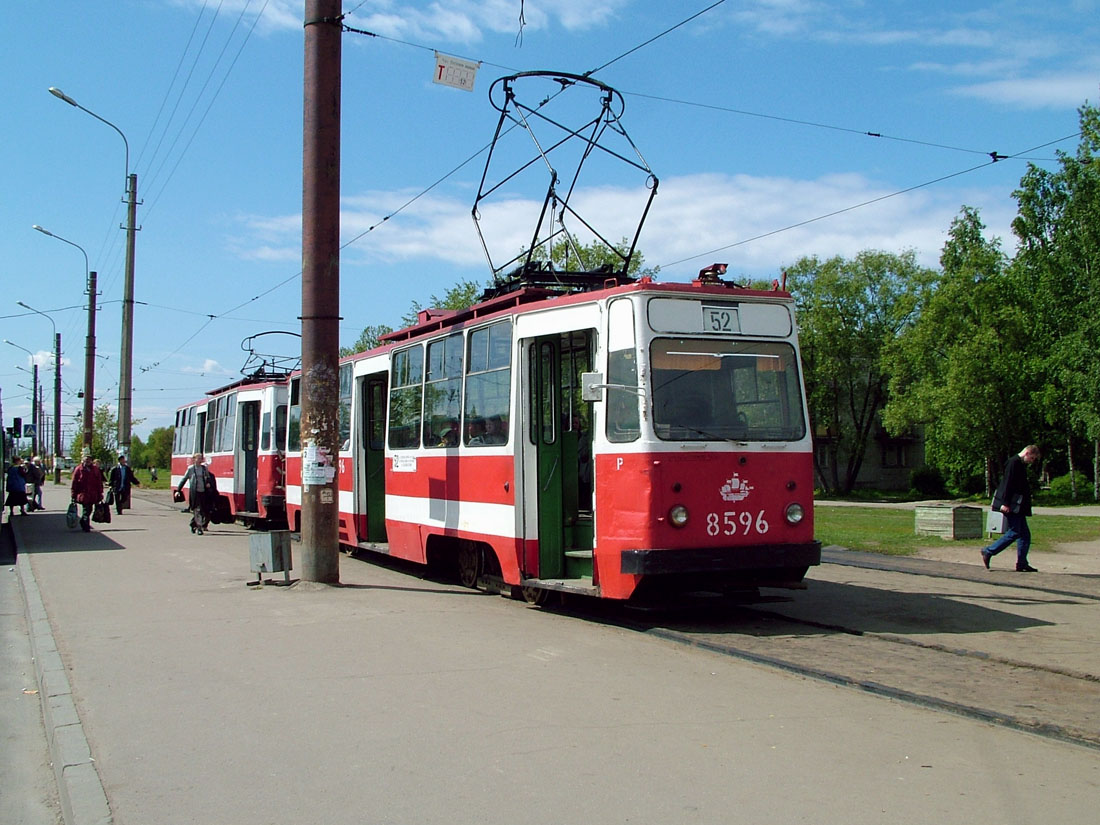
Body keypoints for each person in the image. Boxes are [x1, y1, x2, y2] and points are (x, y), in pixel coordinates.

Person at [981, 444, 1041, 572]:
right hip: (1010, 505)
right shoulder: (1013, 463)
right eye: (1032, 458)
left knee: (1024, 534)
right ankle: (989, 551)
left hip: (1017, 505)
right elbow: (1008, 483)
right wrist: (1005, 503)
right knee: (1015, 532)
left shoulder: (1019, 464)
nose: (1032, 462)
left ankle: (1022, 563)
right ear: (1027, 453)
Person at [176, 453, 217, 535]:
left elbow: (208, 478)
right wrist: (178, 490)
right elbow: (184, 480)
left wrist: (208, 483)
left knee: (204, 510)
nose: (200, 460)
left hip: (204, 492)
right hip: (195, 493)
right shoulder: (191, 469)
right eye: (198, 458)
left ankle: (193, 524)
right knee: (198, 510)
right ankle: (199, 528)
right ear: (194, 459)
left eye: (201, 458)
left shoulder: (204, 469)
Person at [71, 451, 104, 532]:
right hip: (83, 494)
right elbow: (74, 482)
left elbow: (99, 482)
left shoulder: (95, 470)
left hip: (93, 494)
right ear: (83, 460)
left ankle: (83, 521)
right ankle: (86, 525)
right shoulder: (79, 469)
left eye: (89, 460)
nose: (87, 462)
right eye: (86, 460)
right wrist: (73, 494)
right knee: (86, 509)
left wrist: (100, 493)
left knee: (89, 509)